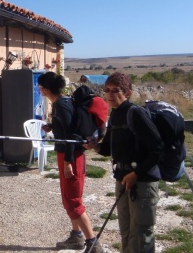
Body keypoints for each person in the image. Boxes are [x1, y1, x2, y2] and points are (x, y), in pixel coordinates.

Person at [83, 72, 164, 253]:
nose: (110, 95)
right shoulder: (116, 115)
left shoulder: (136, 113)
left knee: (141, 233)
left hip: (141, 181)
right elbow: (107, 149)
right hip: (123, 179)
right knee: (126, 231)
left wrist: (136, 174)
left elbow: (158, 149)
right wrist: (94, 146)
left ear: (128, 93)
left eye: (115, 91)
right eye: (107, 90)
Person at [38, 71, 103, 253]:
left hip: (72, 157)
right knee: (69, 198)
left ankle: (93, 244)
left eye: (40, 86)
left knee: (73, 201)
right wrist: (53, 126)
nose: (39, 89)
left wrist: (67, 162)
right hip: (68, 156)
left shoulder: (63, 105)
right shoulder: (60, 104)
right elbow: (67, 128)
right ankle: (76, 237)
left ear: (45, 89)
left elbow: (72, 137)